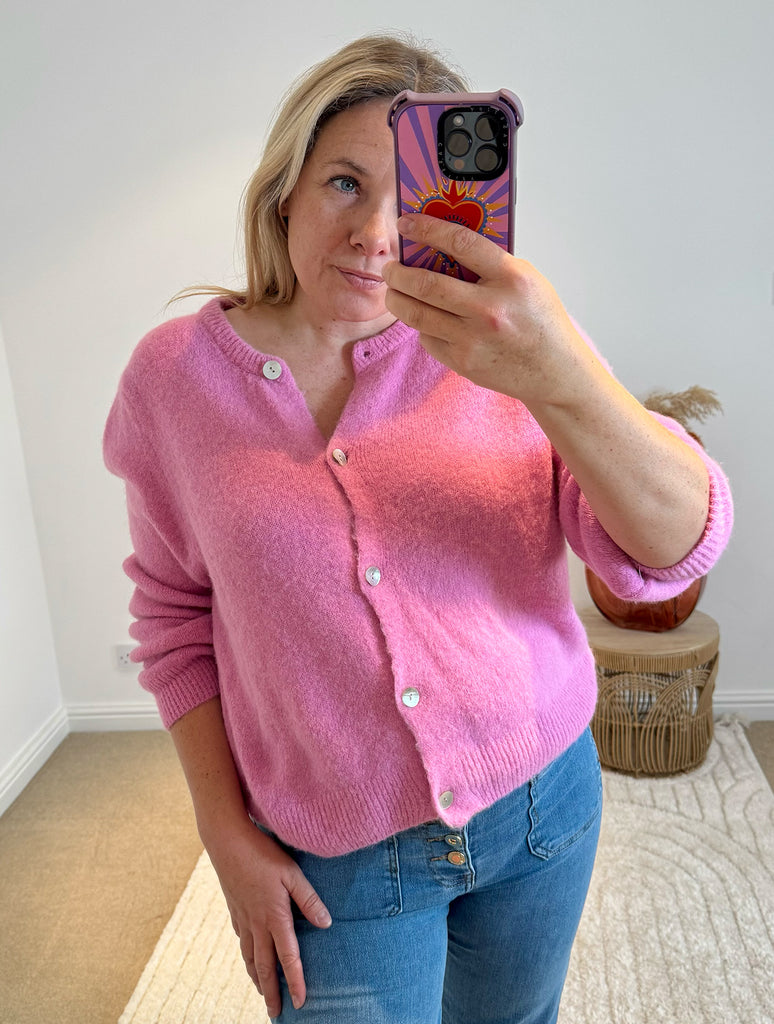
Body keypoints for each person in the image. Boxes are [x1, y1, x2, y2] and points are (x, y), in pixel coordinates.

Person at [103, 32, 733, 1024]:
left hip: (544, 809)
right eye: (345, 184)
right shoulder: (174, 381)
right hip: (339, 856)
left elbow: (672, 547)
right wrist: (224, 836)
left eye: (412, 201)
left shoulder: (510, 347)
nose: (376, 234)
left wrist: (558, 373)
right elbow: (175, 617)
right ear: (286, 191)